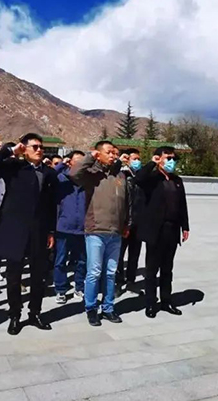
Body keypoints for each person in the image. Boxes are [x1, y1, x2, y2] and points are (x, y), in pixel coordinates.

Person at [0, 133, 57, 334]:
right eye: (34, 147)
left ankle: (35, 313)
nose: (39, 150)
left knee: (39, 276)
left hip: (39, 232)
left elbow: (51, 205)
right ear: (24, 148)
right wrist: (11, 150)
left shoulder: (48, 173)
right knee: (14, 276)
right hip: (15, 231)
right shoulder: (13, 167)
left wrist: (51, 231)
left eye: (41, 147)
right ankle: (15, 314)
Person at [70, 140, 131, 327]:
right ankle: (91, 308)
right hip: (96, 230)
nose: (113, 155)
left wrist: (127, 224)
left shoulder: (120, 176)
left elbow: (127, 202)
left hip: (116, 232)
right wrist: (90, 158)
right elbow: (74, 174)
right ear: (98, 153)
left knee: (111, 273)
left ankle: (108, 307)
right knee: (94, 273)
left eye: (114, 152)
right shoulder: (91, 174)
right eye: (108, 152)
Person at [135, 146, 190, 318]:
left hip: (172, 230)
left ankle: (166, 301)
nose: (172, 161)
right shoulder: (152, 179)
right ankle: (151, 303)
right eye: (168, 158)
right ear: (159, 159)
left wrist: (185, 226)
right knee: (152, 269)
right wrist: (152, 163)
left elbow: (182, 204)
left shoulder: (177, 180)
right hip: (156, 230)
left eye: (174, 158)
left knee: (167, 268)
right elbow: (138, 179)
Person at [53, 151, 87, 304]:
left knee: (82, 260)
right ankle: (61, 289)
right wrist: (61, 165)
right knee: (60, 260)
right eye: (77, 161)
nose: (80, 164)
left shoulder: (87, 181)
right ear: (70, 162)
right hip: (64, 226)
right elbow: (49, 176)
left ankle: (79, 286)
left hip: (83, 228)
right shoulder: (61, 179)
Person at [116, 148, 145, 292]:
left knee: (134, 254)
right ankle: (118, 281)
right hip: (124, 223)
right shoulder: (121, 175)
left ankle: (131, 280)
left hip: (138, 223)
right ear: (127, 160)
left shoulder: (141, 176)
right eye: (134, 159)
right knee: (119, 254)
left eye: (139, 159)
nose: (137, 161)